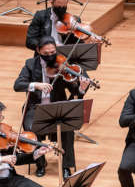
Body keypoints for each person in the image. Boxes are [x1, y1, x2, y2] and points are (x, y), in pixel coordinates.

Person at [13, 36, 92, 179]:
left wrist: (81, 88)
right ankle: (40, 163)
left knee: (67, 129)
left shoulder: (62, 64)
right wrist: (36, 85)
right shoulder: (31, 64)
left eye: (53, 52)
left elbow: (74, 92)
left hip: (57, 106)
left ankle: (66, 166)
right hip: (36, 108)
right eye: (46, 53)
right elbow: (17, 85)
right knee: (30, 128)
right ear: (38, 50)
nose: (50, 56)